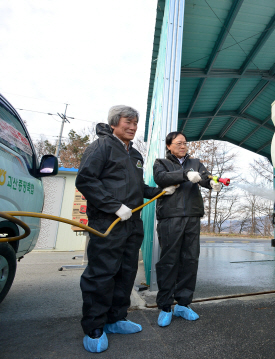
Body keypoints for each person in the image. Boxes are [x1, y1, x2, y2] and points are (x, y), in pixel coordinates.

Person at [76, 105, 177, 353]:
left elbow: (138, 187)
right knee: (102, 273)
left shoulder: (134, 154)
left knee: (126, 272)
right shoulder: (101, 146)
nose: (132, 127)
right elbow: (86, 180)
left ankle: (116, 318)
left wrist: (160, 192)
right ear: (113, 124)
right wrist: (113, 206)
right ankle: (94, 327)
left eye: (135, 123)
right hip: (107, 221)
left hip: (132, 222)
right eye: (127, 122)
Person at [152, 131, 222, 327]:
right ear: (169, 146)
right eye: (179, 143)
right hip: (170, 217)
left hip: (192, 215)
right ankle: (165, 306)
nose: (183, 146)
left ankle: (183, 304)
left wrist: (213, 184)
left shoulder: (196, 163)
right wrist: (184, 174)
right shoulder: (161, 163)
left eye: (185, 143)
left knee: (190, 260)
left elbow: (206, 178)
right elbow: (161, 179)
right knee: (169, 261)